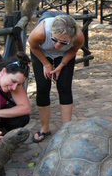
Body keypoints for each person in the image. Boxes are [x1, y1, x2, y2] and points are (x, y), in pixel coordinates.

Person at [28, 12, 85, 143]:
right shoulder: (40, 32)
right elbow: (33, 46)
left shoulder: (78, 37)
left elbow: (73, 50)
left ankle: (66, 128)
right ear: (51, 33)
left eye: (63, 42)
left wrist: (62, 65)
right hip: (42, 52)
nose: (58, 45)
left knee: (64, 87)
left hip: (65, 55)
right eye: (55, 39)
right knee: (43, 86)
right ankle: (45, 128)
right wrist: (46, 64)